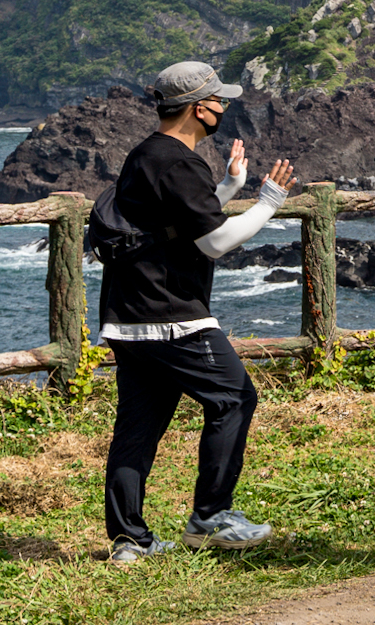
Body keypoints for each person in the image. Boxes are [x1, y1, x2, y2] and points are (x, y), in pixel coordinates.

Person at [99, 62, 296, 563]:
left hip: (126, 313)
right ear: (196, 108)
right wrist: (268, 201)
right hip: (172, 314)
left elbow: (173, 219)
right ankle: (210, 517)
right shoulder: (179, 160)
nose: (224, 110)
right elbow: (214, 241)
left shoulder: (146, 154)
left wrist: (230, 187)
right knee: (234, 398)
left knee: (138, 427)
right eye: (219, 102)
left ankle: (130, 541)